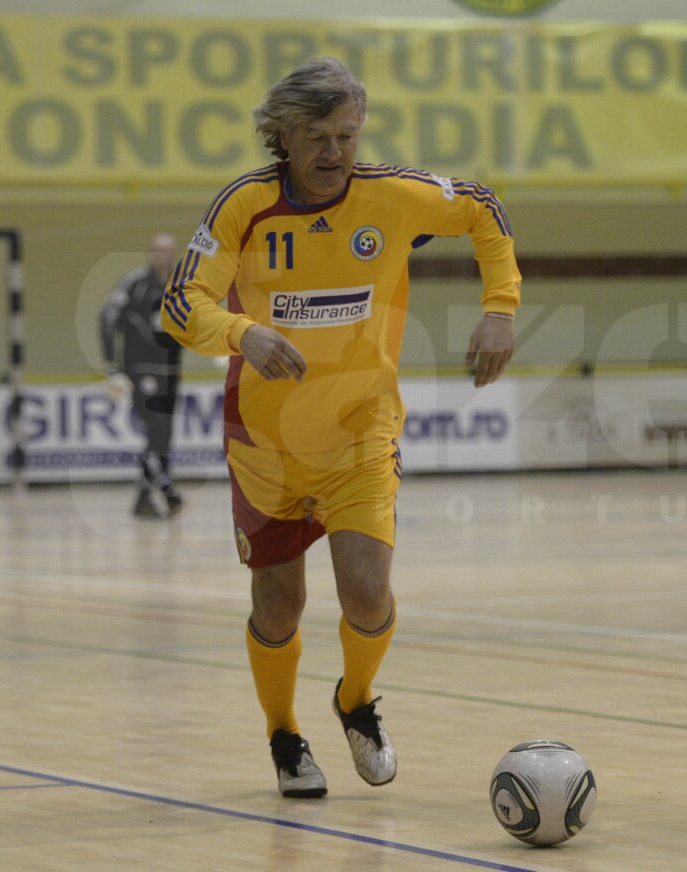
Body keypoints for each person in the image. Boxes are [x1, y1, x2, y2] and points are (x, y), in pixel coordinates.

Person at [162, 58, 520, 798]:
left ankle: (355, 699)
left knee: (366, 594)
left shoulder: (393, 196)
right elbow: (180, 304)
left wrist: (501, 308)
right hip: (267, 443)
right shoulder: (244, 205)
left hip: (362, 429)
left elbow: (482, 209)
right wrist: (242, 333)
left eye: (347, 135)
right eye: (318, 136)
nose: (335, 152)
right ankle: (285, 733)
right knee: (278, 605)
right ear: (283, 138)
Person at [99, 232, 185, 518]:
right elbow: (108, 317)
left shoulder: (182, 285)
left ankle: (153, 494)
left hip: (170, 371)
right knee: (158, 427)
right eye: (158, 251)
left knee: (164, 433)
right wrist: (112, 367)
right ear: (150, 253)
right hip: (140, 368)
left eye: (168, 251)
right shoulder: (134, 283)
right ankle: (158, 492)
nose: (163, 256)